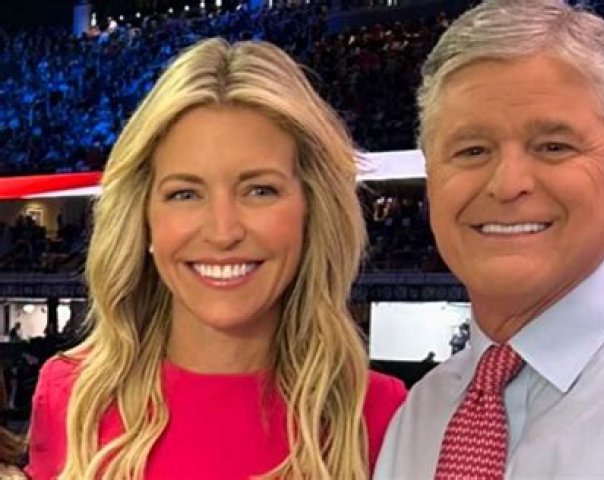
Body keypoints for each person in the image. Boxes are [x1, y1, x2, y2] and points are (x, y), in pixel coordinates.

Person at [26, 38, 406, 479]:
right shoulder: (69, 397)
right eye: (185, 194)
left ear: (311, 211)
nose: (223, 232)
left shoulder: (383, 417)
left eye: (259, 190)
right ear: (144, 218)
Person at [375, 1, 604, 478]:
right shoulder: (419, 415)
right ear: (432, 180)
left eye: (553, 146)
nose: (508, 184)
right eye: (472, 150)